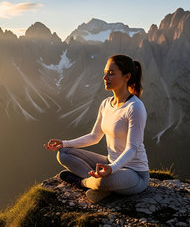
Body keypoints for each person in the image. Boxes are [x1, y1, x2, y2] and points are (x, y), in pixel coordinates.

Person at [44, 54, 149, 202]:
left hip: (135, 173)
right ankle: (96, 182)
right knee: (63, 153)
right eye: (105, 73)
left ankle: (83, 182)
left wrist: (112, 168)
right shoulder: (106, 103)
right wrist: (65, 143)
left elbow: (132, 148)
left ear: (127, 77)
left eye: (111, 74)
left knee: (105, 181)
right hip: (110, 162)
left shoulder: (135, 107)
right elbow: (94, 136)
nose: (105, 77)